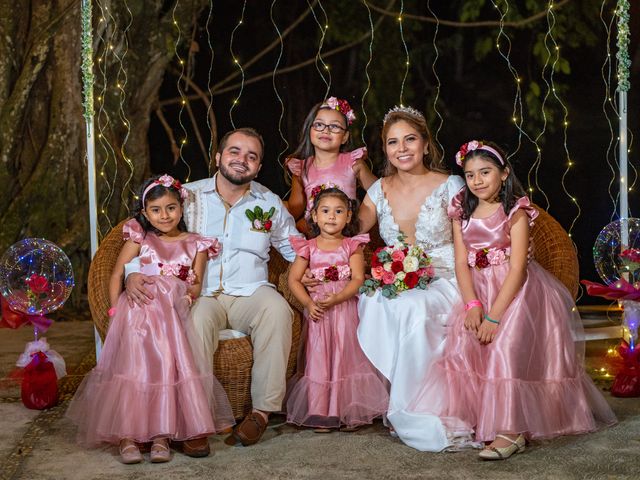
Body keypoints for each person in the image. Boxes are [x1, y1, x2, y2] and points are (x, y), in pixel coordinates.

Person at [405, 140, 617, 458]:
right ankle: (481, 418)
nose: (477, 180)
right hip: (478, 290)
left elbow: (518, 268)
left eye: (485, 172)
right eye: (470, 174)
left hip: (516, 292)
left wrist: (494, 316)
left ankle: (511, 430)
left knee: (504, 346)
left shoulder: (515, 210)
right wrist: (473, 306)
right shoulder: (460, 210)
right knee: (466, 342)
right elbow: (461, 262)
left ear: (504, 174)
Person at [125, 128, 302, 452]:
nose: (242, 160)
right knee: (194, 323)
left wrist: (322, 269)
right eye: (235, 152)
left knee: (278, 311)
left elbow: (295, 249)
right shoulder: (187, 197)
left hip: (250, 290)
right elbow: (146, 233)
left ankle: (261, 412)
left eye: (252, 156)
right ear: (219, 157)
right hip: (200, 292)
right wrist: (132, 272)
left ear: (259, 167)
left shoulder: (269, 202)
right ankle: (195, 419)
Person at [67, 174, 235, 464]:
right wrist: (113, 312)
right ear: (145, 213)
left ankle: (161, 434)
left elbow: (195, 284)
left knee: (166, 371)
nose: (164, 215)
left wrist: (189, 296)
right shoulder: (140, 238)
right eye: (155, 210)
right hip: (138, 317)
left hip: (171, 318)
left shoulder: (196, 244)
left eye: (170, 208)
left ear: (181, 209)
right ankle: (128, 436)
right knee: (135, 373)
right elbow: (117, 273)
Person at [356, 106, 466, 451]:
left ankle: (413, 408)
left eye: (410, 139)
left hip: (448, 279)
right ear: (384, 149)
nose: (401, 148)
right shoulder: (377, 190)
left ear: (425, 143)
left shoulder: (452, 184)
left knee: (415, 310)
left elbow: (470, 238)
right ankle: (397, 399)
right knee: (373, 298)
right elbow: (352, 233)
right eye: (392, 142)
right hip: (401, 278)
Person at [286, 188, 389, 431]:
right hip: (319, 313)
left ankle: (349, 409)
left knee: (347, 356)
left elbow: (357, 279)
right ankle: (322, 411)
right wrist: (309, 303)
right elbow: (294, 280)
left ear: (348, 217)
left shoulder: (352, 246)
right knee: (320, 357)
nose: (331, 217)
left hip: (344, 309)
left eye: (338, 211)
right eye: (325, 211)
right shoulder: (308, 247)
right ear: (314, 215)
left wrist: (338, 297)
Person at [285, 96, 377, 235]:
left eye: (334, 126)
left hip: (345, 231)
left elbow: (379, 192)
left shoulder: (353, 163)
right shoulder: (301, 169)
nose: (326, 130)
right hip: (314, 232)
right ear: (310, 130)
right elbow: (294, 207)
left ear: (345, 137)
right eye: (319, 125)